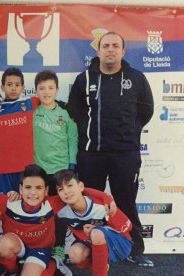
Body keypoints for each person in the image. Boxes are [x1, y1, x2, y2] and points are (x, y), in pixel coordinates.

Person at [66, 31, 154, 266]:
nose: (110, 50)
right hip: (91, 153)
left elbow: (147, 112)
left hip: (125, 153)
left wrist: (127, 133)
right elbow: (74, 111)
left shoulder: (136, 78)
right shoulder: (84, 79)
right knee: (90, 204)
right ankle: (89, 247)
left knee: (126, 201)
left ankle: (135, 249)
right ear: (98, 51)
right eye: (106, 46)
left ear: (123, 51)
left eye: (116, 45)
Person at [0, 164, 113, 276]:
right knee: (3, 246)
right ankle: (13, 272)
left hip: (39, 251)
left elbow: (80, 192)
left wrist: (106, 198)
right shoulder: (10, 202)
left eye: (39, 188)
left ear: (46, 190)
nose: (33, 192)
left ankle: (53, 266)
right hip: (18, 248)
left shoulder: (52, 204)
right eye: (28, 187)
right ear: (21, 188)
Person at [33, 70, 78, 263]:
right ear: (36, 91)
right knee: (40, 212)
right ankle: (39, 247)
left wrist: (72, 165)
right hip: (39, 171)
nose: (46, 92)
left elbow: (73, 139)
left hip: (61, 170)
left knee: (59, 213)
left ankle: (59, 247)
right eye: (42, 88)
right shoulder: (32, 112)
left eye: (50, 88)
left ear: (57, 90)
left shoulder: (66, 112)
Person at [54, 169, 133, 276]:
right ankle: (101, 265)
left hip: (121, 243)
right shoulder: (60, 208)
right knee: (74, 254)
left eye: (70, 186)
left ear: (81, 187)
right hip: (91, 243)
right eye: (61, 189)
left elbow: (127, 227)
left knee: (96, 233)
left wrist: (100, 227)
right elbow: (37, 199)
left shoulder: (102, 205)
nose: (66, 191)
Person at [0, 67, 39, 193]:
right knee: (3, 208)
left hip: (25, 169)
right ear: (2, 87)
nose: (14, 88)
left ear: (23, 87)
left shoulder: (30, 103)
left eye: (17, 85)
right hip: (3, 169)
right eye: (9, 85)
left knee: (25, 206)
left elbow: (49, 99)